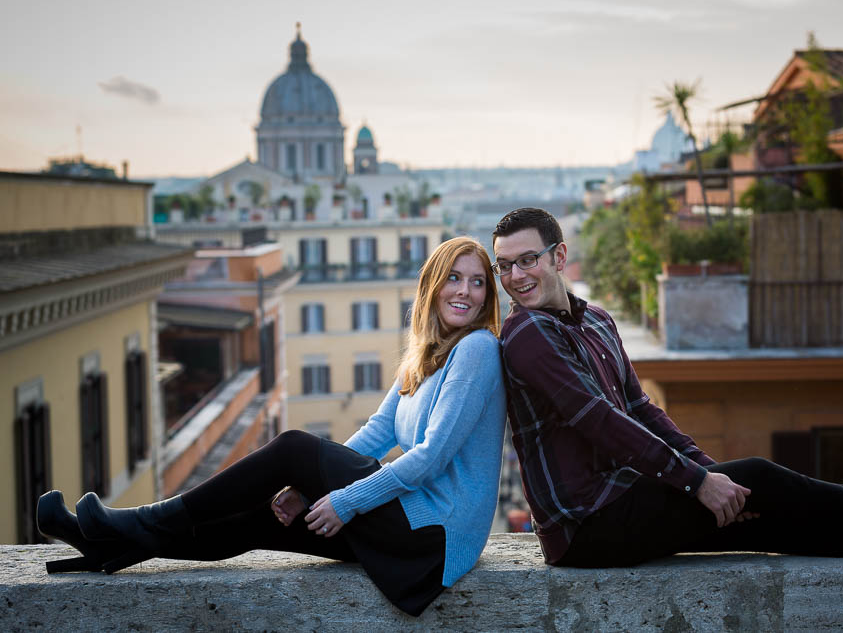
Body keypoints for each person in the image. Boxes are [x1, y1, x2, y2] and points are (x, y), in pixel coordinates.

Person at [491, 206, 843, 569]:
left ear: (558, 256)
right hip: (585, 526)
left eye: (527, 260)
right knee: (760, 479)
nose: (516, 276)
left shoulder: (596, 321)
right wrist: (696, 481)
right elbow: (600, 421)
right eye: (505, 266)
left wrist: (708, 473)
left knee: (758, 510)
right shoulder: (526, 334)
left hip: (626, 498)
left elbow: (640, 408)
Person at [36, 236, 506, 617]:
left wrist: (342, 498)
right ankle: (107, 546)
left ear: (488, 295)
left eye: (478, 282)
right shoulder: (424, 358)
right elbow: (379, 432)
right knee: (256, 520)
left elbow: (431, 457)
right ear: (433, 286)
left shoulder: (478, 349)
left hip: (437, 532)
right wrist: (310, 487)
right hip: (410, 524)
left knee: (292, 448)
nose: (464, 291)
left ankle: (136, 520)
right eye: (453, 278)